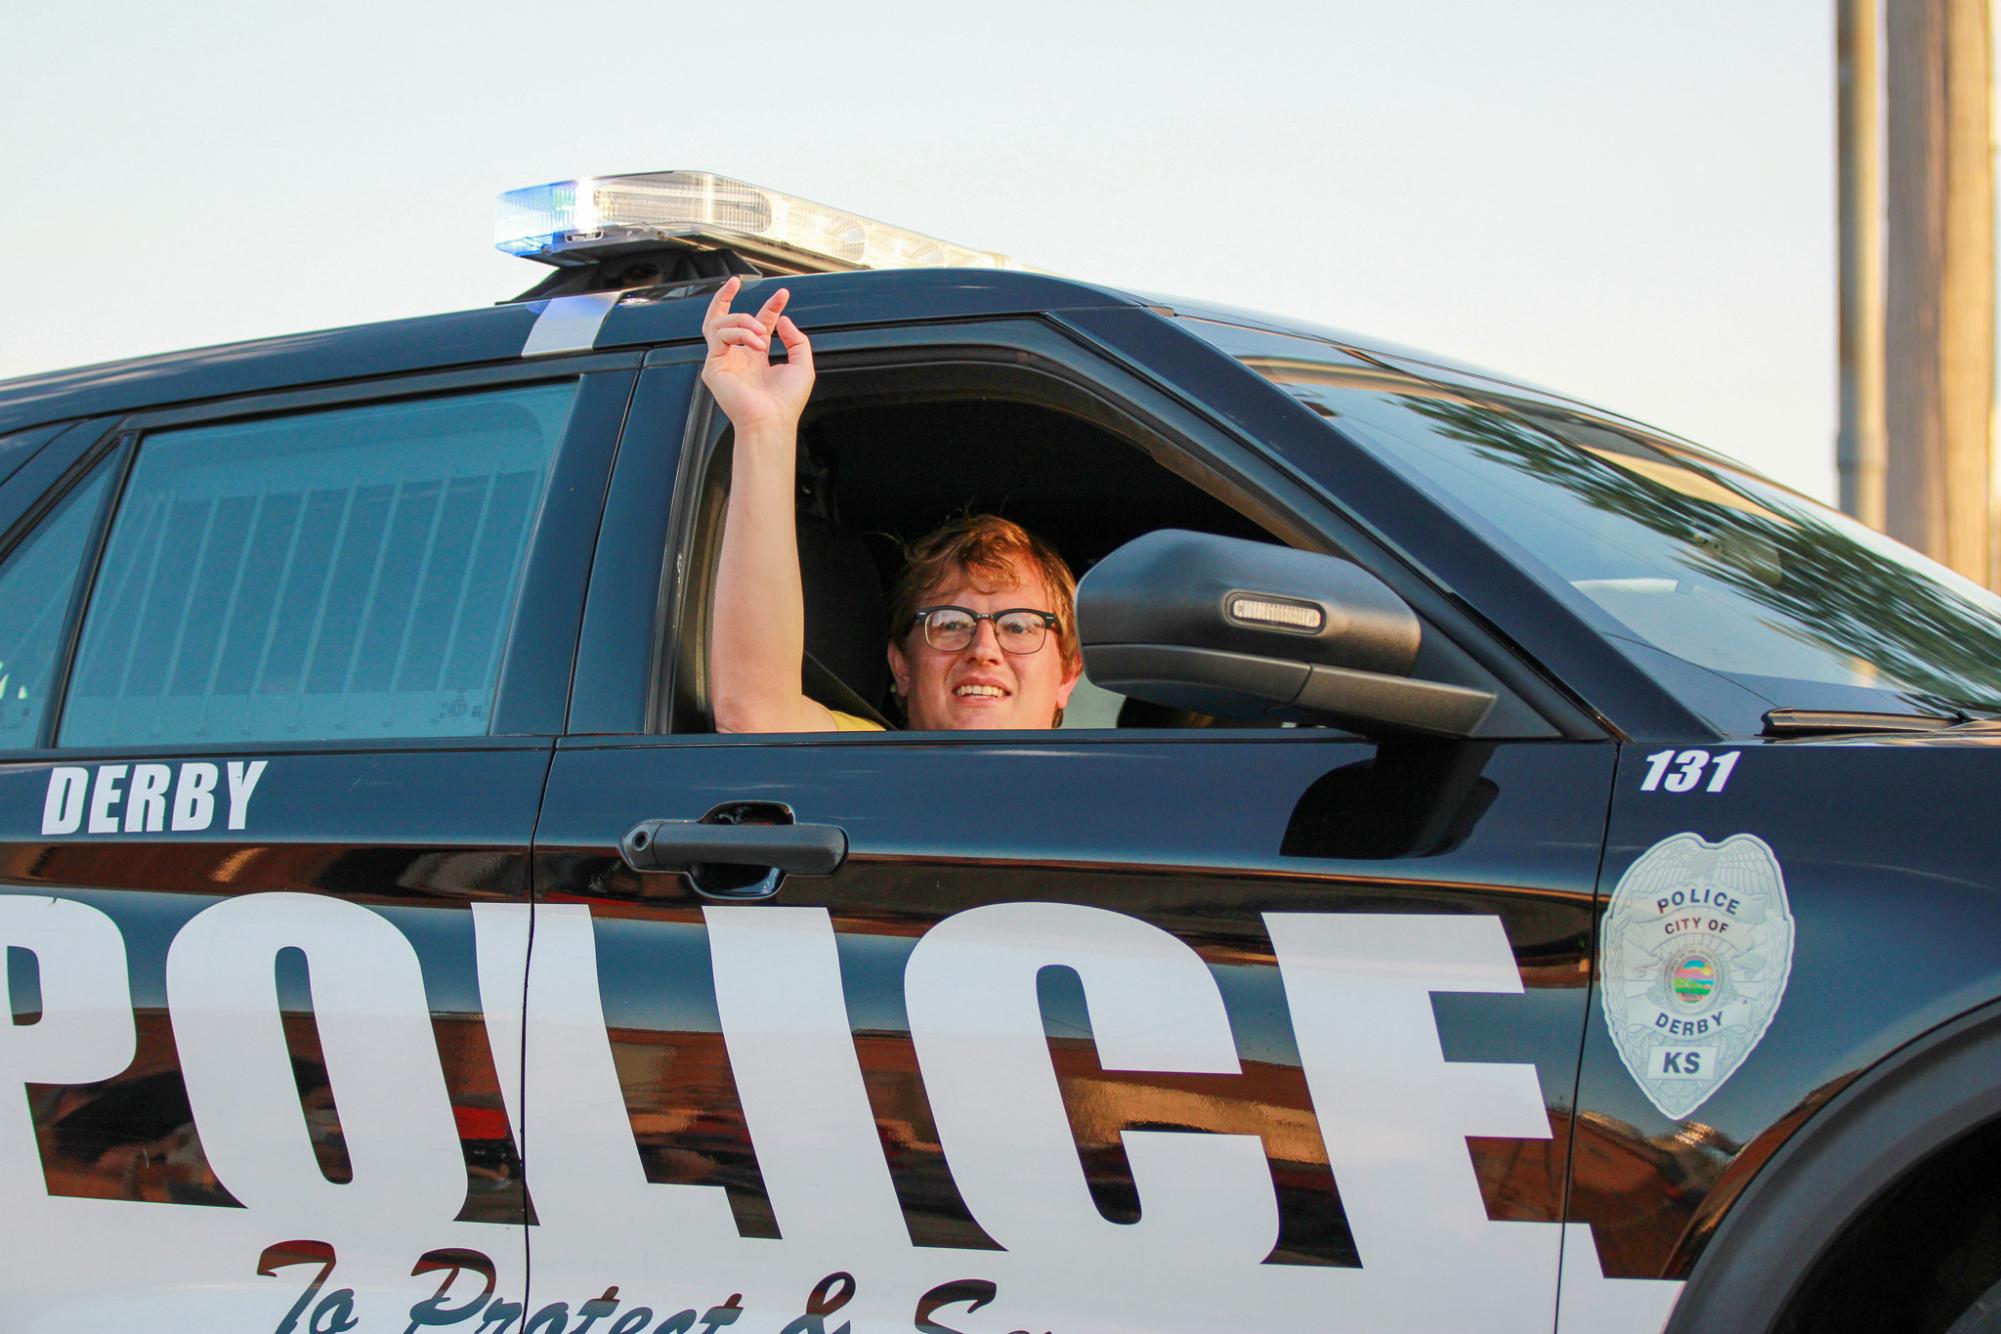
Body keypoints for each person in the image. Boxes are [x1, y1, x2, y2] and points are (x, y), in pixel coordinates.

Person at [702, 276, 1082, 733]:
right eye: (948, 623)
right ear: (901, 665)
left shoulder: (1122, 791)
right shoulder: (868, 756)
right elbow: (755, 713)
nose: (983, 648)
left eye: (1020, 627)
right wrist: (764, 426)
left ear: (1067, 674)